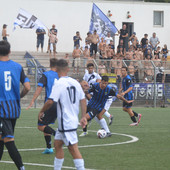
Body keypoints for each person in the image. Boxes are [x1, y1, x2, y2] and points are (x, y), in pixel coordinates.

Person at [38, 59, 87, 170]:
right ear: (68, 69)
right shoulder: (75, 82)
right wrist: (83, 116)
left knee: (73, 149)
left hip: (66, 122)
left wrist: (41, 111)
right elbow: (83, 99)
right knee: (57, 145)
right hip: (68, 122)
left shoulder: (59, 83)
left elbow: (50, 101)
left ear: (56, 70)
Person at [0, 40, 30, 170]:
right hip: (14, 109)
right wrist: (19, 96)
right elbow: (28, 87)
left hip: (1, 110)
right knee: (1, 139)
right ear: (10, 51)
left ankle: (21, 168)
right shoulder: (18, 67)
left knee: (8, 141)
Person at [27, 58, 59, 154]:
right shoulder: (60, 76)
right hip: (60, 104)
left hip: (50, 103)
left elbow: (39, 88)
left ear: (50, 64)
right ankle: (49, 148)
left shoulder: (46, 75)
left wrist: (33, 100)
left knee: (40, 126)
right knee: (46, 125)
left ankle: (57, 134)